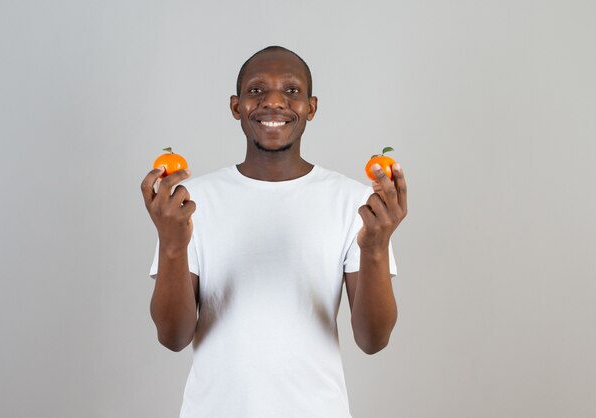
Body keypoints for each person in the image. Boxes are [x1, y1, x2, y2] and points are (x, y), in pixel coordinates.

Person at [141, 46, 408, 418]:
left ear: (311, 107)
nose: (274, 102)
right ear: (236, 107)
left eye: (292, 91)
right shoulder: (191, 202)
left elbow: (373, 339)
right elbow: (172, 337)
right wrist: (172, 245)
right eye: (256, 90)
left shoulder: (354, 201)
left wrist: (376, 247)